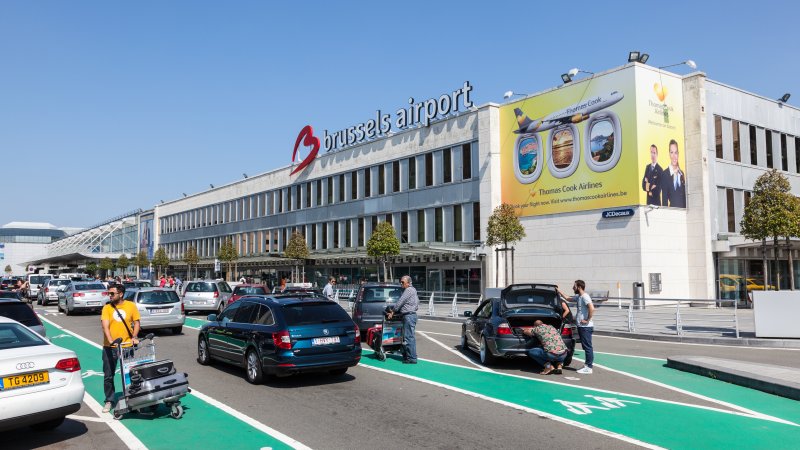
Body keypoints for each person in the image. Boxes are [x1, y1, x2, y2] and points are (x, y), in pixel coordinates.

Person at [100, 284, 140, 413]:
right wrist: (111, 340)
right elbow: (105, 326)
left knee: (129, 374)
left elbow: (137, 322)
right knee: (108, 375)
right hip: (109, 347)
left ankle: (131, 398)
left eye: (112, 293)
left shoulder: (131, 306)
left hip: (127, 346)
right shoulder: (107, 308)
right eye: (109, 294)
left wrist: (134, 337)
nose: (110, 296)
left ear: (121, 294)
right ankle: (109, 400)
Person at [560, 280, 594, 374]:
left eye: (574, 286)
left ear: (579, 287)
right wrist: (559, 291)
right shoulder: (579, 297)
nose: (573, 288)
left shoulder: (585, 296)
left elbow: (592, 308)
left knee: (587, 347)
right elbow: (567, 298)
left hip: (586, 326)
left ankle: (589, 367)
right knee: (585, 346)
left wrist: (587, 319)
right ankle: (587, 365)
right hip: (582, 326)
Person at [387, 275, 419, 364]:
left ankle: (411, 358)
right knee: (410, 337)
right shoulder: (414, 290)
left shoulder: (408, 290)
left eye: (403, 282)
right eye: (400, 282)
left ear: (408, 283)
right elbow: (417, 303)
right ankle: (412, 355)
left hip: (408, 316)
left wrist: (393, 311)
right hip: (412, 315)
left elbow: (400, 301)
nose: (401, 284)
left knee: (408, 337)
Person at [661, 139, 686, 208]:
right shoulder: (665, 174)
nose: (674, 156)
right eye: (672, 152)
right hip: (673, 214)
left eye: (676, 152)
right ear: (669, 154)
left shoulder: (681, 174)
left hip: (684, 213)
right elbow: (664, 200)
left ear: (678, 154)